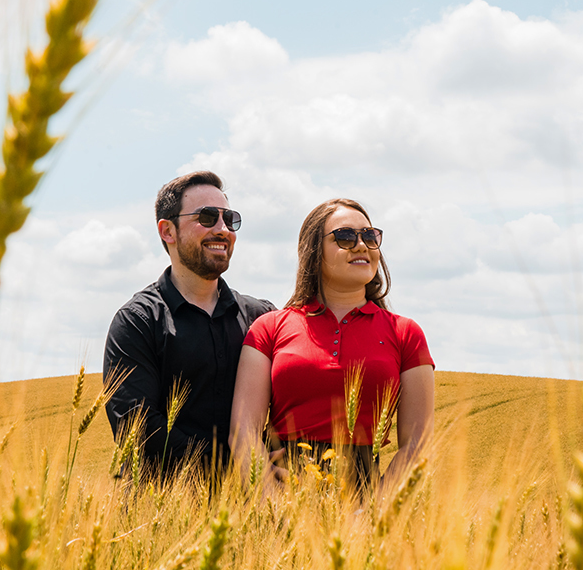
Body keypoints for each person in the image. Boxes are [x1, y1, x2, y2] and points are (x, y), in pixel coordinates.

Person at [230, 198, 434, 490]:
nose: (362, 245)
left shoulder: (406, 334)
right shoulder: (269, 328)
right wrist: (272, 501)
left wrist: (375, 513)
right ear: (314, 250)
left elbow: (418, 444)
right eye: (346, 236)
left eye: (370, 236)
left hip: (368, 503)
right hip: (280, 500)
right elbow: (243, 433)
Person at [103, 171, 274, 478]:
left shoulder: (262, 318)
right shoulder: (137, 322)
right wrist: (237, 466)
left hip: (259, 510)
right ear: (168, 230)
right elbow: (138, 430)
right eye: (207, 218)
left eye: (229, 219)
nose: (223, 229)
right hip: (163, 515)